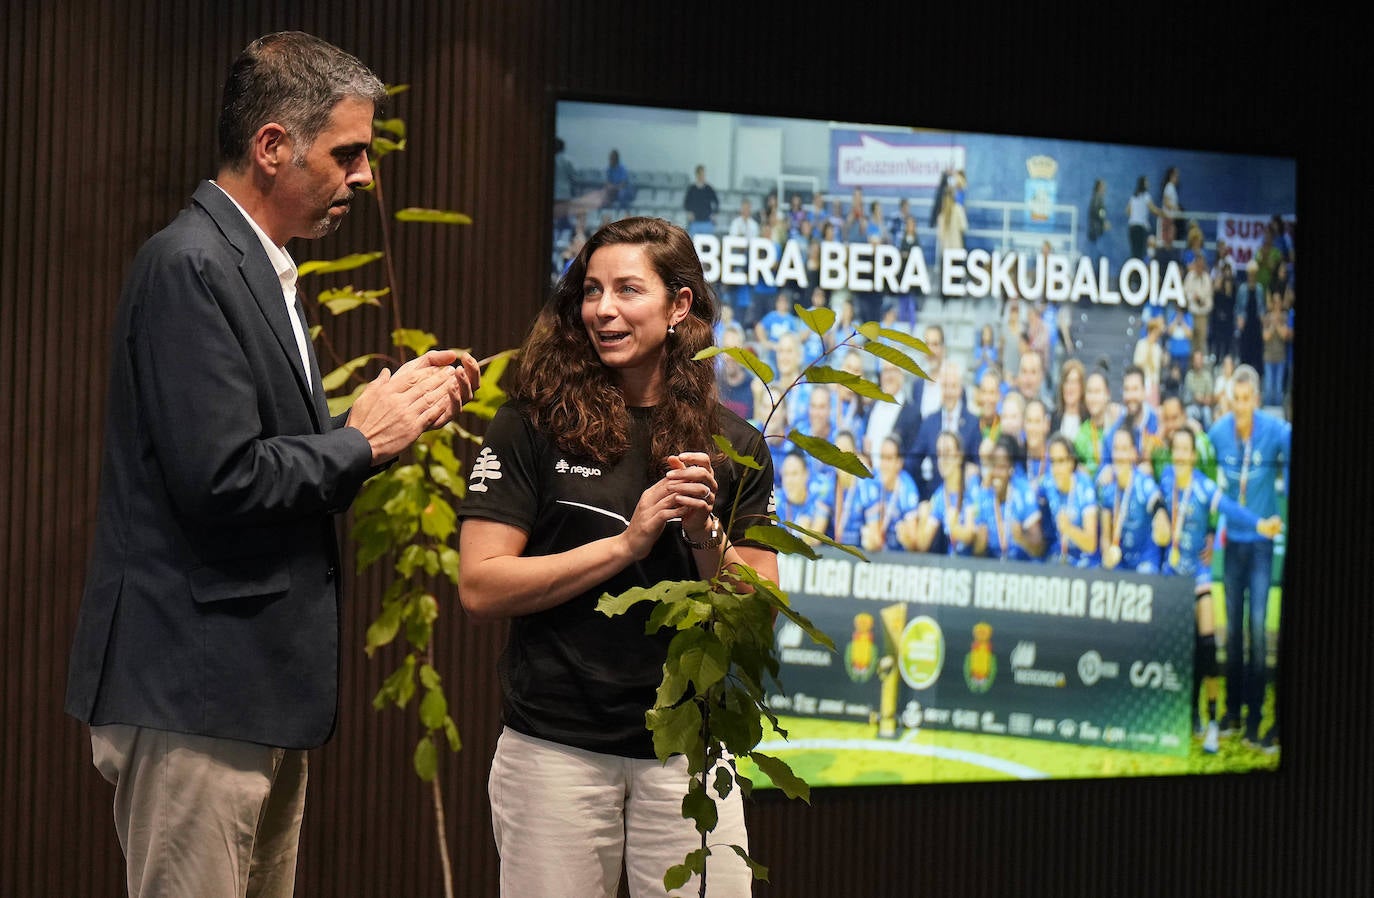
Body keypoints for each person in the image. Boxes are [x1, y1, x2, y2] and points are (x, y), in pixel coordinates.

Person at [62, 32, 480, 898]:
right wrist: (364, 438)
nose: (365, 176)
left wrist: (378, 413)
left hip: (245, 692)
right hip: (194, 692)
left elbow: (258, 450)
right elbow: (222, 480)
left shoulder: (256, 264)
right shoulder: (190, 263)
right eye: (349, 153)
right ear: (272, 146)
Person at [457, 216, 774, 896]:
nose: (603, 309)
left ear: (678, 304)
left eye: (628, 290)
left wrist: (703, 532)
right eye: (592, 291)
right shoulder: (530, 422)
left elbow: (756, 613)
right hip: (555, 750)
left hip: (690, 748)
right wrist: (628, 544)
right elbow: (481, 587)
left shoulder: (735, 444)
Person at [1158, 426, 1282, 754]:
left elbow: (1230, 508)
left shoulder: (1202, 486)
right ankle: (1185, 716)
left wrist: (1260, 524)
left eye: (1187, 450)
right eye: (1177, 450)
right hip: (1169, 579)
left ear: (1194, 455)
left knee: (1208, 648)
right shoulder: (1165, 478)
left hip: (1197, 578)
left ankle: (1212, 723)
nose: (1182, 455)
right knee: (1174, 652)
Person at [1207, 365, 1290, 750]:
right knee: (1235, 634)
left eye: (1247, 400)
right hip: (1232, 544)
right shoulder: (1218, 433)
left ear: (1256, 400)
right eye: (1235, 399)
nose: (1241, 406)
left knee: (1257, 631)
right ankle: (1232, 713)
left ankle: (1256, 718)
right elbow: (1204, 480)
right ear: (1230, 399)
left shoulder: (1273, 431)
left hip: (1260, 548)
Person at [1097, 427, 1166, 573]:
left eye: (1124, 449)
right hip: (1120, 561)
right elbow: (1105, 537)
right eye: (1116, 449)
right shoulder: (1109, 489)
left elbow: (1159, 508)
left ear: (1134, 453)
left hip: (1146, 560)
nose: (1119, 455)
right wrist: (1107, 554)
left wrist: (1161, 523)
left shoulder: (1144, 484)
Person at [974, 434, 1044, 560]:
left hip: (1021, 566)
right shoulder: (984, 494)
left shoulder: (1023, 490)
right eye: (993, 466)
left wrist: (1021, 538)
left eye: (1002, 467)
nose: (996, 473)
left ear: (1010, 469)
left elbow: (1039, 548)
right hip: (992, 566)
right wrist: (980, 542)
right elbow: (977, 553)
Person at [1041, 433, 1099, 567]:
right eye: (1053, 462)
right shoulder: (1049, 483)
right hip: (1060, 556)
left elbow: (1090, 544)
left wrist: (1068, 529)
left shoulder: (1084, 486)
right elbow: (1031, 489)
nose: (1056, 469)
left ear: (1071, 462)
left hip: (1085, 560)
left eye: (1061, 461)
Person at [1125, 175, 1162, 261]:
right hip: (1140, 228)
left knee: (1134, 252)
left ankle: (1134, 272)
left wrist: (1135, 215)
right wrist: (1163, 213)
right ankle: (1139, 272)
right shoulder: (1146, 196)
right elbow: (1153, 209)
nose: (1148, 184)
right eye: (1147, 182)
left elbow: (1127, 211)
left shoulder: (1133, 197)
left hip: (1132, 227)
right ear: (1144, 183)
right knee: (1140, 252)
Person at [682, 163, 719, 235]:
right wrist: (689, 213)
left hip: (707, 222)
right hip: (695, 223)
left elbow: (716, 202)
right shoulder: (691, 189)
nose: (702, 176)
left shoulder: (709, 188)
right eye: (700, 174)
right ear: (697, 175)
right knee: (693, 244)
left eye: (703, 174)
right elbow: (686, 203)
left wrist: (714, 214)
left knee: (707, 244)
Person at [1087, 178, 1110, 243]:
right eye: (1104, 186)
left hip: (1095, 228)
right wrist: (1103, 222)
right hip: (1096, 228)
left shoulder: (1097, 197)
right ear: (1099, 187)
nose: (1105, 188)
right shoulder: (1097, 198)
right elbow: (1098, 211)